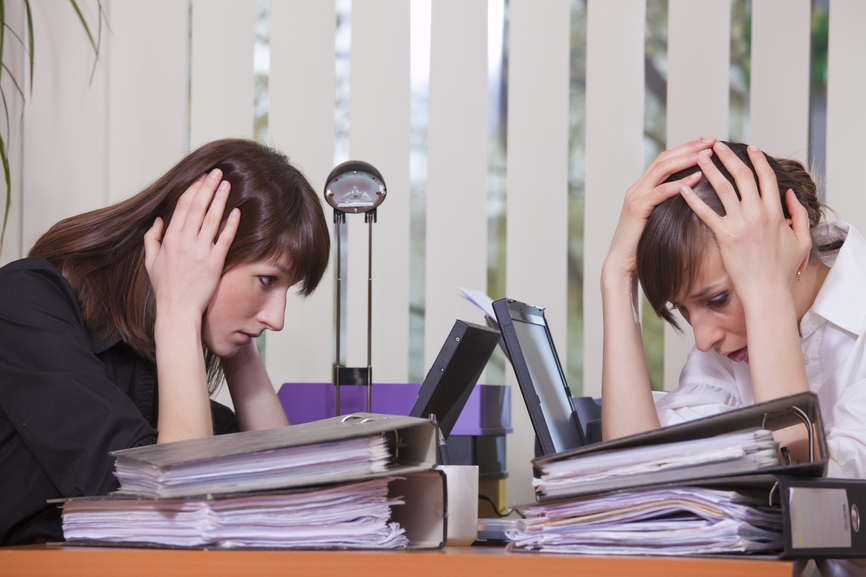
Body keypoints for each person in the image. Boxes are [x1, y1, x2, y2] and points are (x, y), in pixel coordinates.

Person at [0, 138, 330, 546]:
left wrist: (240, 353)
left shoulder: (159, 364)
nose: (276, 319)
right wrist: (180, 307)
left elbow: (288, 501)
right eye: (267, 281)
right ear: (197, 249)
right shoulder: (24, 301)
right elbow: (174, 516)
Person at [601, 138, 866, 575]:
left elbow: (823, 520)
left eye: (718, 298)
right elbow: (639, 490)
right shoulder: (726, 351)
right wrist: (616, 276)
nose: (702, 339)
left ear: (788, 244)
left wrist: (766, 291)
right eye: (684, 310)